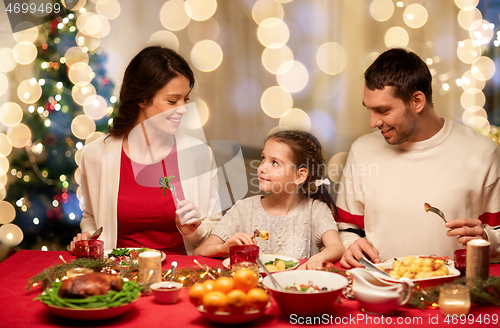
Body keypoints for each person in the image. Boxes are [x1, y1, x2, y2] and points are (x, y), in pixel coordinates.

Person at [337, 48, 500, 268]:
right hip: (382, 290)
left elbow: (496, 234)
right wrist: (351, 244)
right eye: (370, 109)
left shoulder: (482, 152)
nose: (373, 122)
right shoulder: (362, 151)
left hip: (453, 294)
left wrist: (489, 239)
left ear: (417, 101)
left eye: (383, 110)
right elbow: (347, 229)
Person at [70, 46, 222, 255]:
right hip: (118, 274)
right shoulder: (96, 154)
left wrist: (193, 231)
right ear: (142, 98)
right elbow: (91, 217)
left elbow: (216, 225)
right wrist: (89, 236)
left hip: (179, 274)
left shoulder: (199, 154)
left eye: (185, 99)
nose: (184, 108)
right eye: (172, 101)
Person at [194, 131, 344, 266]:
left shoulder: (315, 210)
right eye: (263, 158)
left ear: (299, 176)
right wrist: (225, 247)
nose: (262, 168)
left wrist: (318, 258)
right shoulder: (244, 209)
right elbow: (200, 251)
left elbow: (336, 247)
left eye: (274, 163)